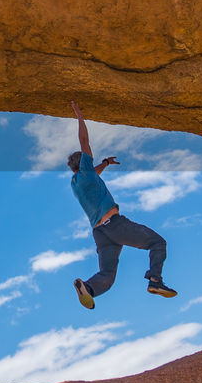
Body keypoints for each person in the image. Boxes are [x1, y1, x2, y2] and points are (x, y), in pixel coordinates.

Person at [68, 101, 176, 309]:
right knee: (158, 243)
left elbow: (94, 172)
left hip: (100, 233)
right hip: (114, 225)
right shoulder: (86, 172)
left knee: (107, 275)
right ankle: (155, 281)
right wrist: (80, 116)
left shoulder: (76, 183)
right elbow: (84, 140)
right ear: (83, 163)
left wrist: (106, 163)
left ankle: (88, 288)